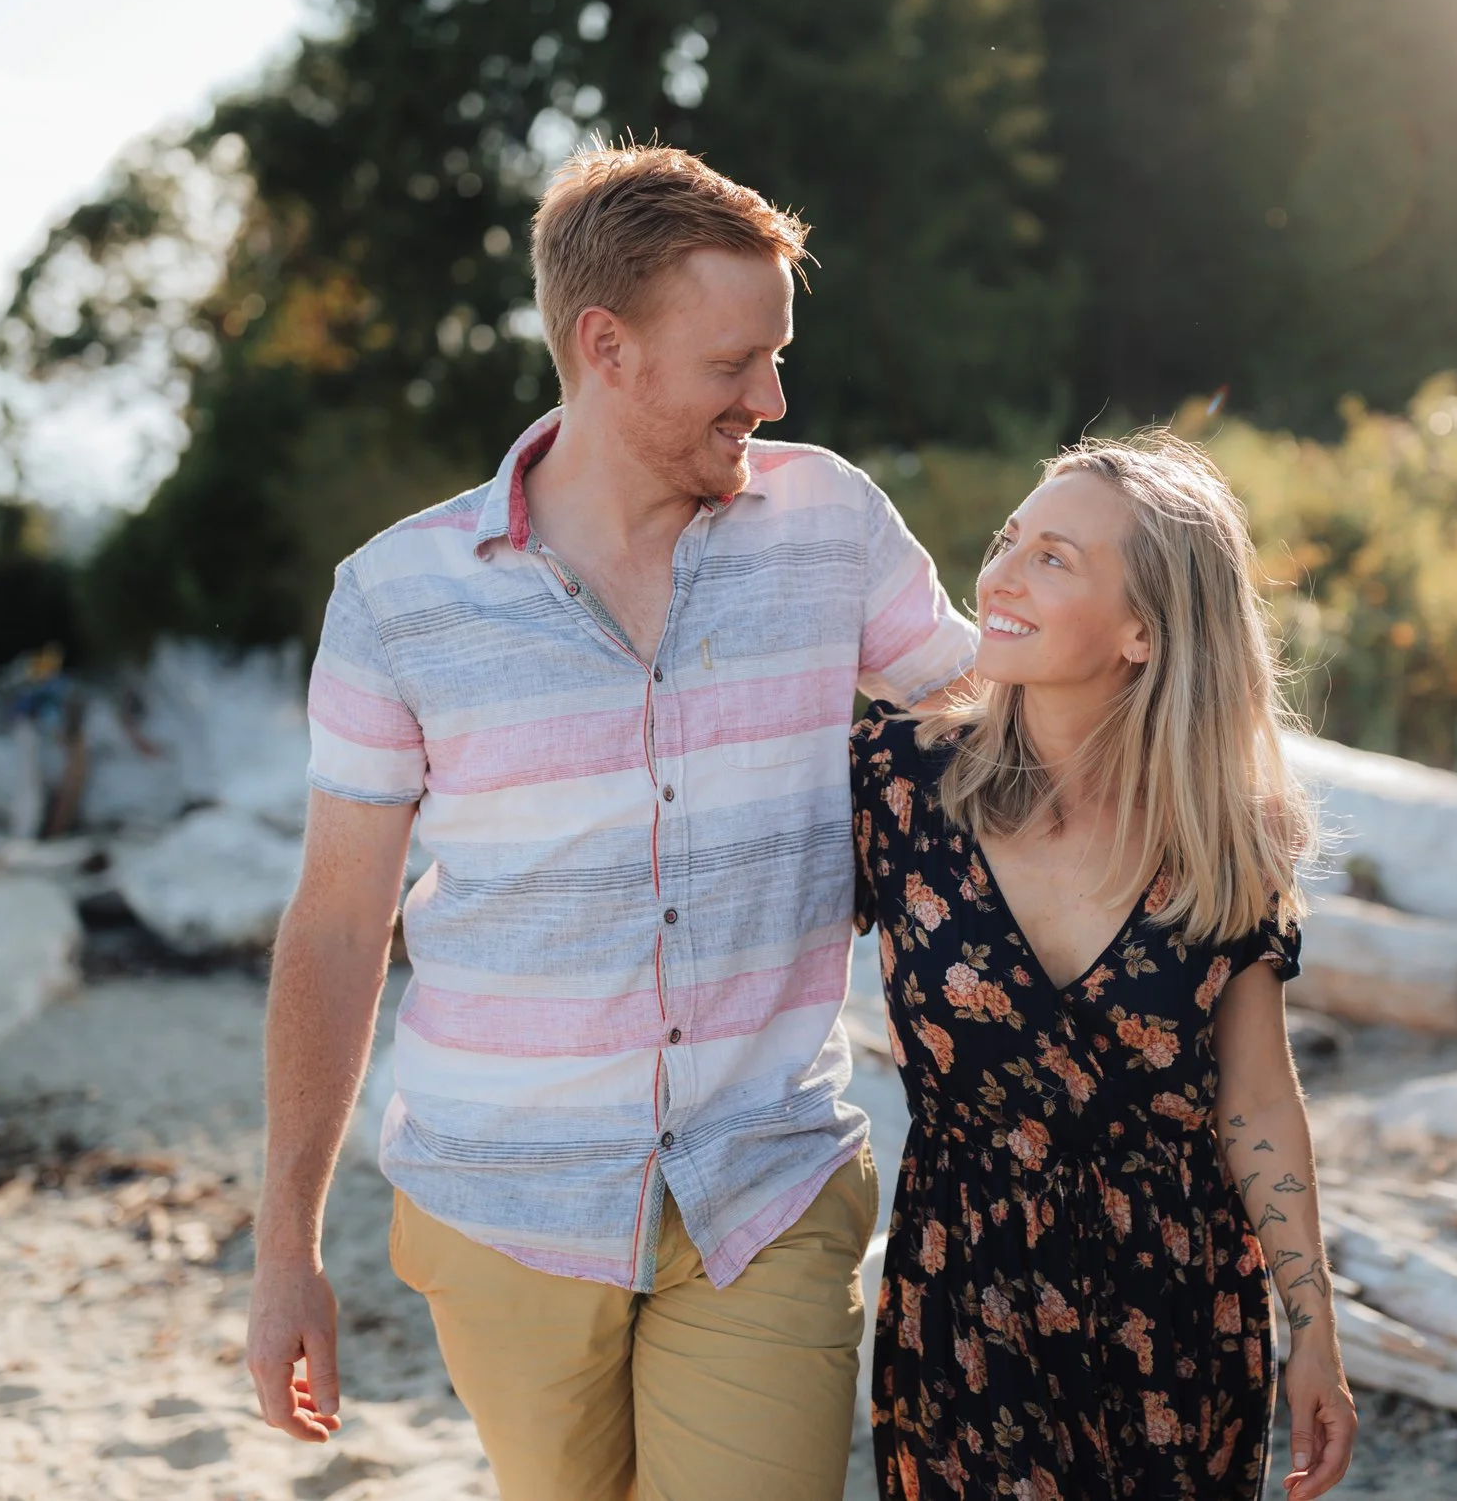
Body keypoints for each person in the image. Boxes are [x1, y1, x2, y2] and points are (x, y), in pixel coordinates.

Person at [245, 142, 976, 1501]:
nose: (771, 393)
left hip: (768, 1180)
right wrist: (285, 1242)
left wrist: (1160, 647)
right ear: (607, 347)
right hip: (501, 1203)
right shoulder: (397, 597)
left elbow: (996, 715)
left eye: (776, 356)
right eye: (732, 364)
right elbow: (340, 922)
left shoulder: (832, 525)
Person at [851, 436, 1358, 1500]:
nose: (998, 574)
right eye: (1009, 540)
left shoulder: (1229, 836)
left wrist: (1313, 1331)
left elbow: (1257, 1097)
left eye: (1055, 558)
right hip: (966, 1301)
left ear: (1143, 629)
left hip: (1177, 1317)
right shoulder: (898, 782)